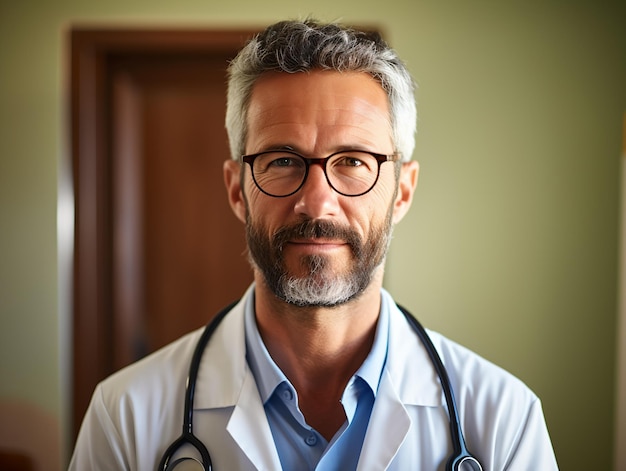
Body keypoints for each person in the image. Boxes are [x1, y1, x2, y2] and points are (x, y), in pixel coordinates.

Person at [69, 19, 558, 470]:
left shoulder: (503, 422)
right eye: (282, 160)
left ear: (403, 191)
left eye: (352, 161)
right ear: (236, 189)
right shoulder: (126, 418)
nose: (317, 202)